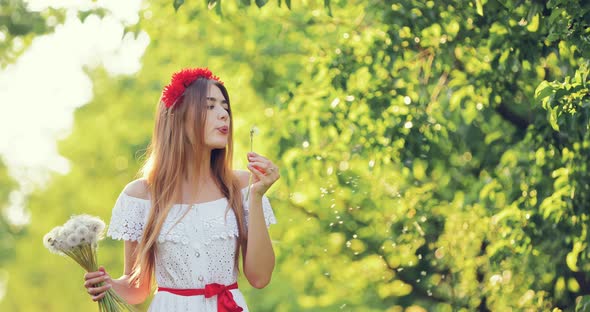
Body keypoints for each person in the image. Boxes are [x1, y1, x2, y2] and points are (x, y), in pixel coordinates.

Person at [82, 67, 279, 311]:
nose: (223, 114)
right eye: (210, 106)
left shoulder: (243, 187)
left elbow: (260, 277)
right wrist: (109, 285)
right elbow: (138, 289)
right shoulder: (141, 196)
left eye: (225, 107)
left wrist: (258, 196)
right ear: (178, 116)